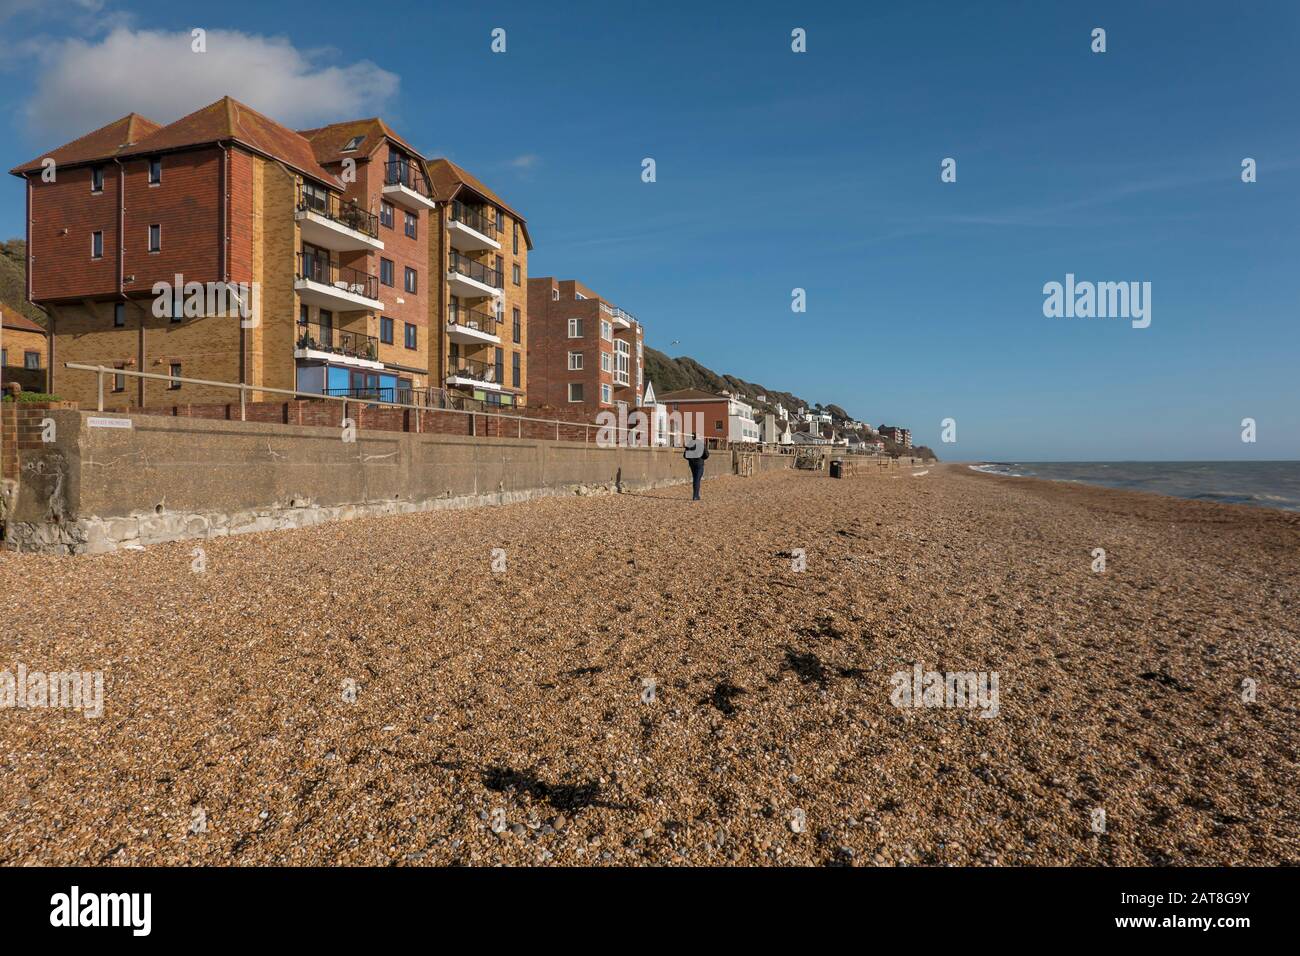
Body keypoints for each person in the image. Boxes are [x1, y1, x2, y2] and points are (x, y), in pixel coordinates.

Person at [684, 434, 709, 500]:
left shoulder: (689, 444)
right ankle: (695, 495)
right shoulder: (701, 444)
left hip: (692, 464)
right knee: (697, 479)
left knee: (695, 478)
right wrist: (701, 458)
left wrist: (691, 459)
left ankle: (696, 495)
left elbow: (685, 455)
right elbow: (706, 455)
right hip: (699, 464)